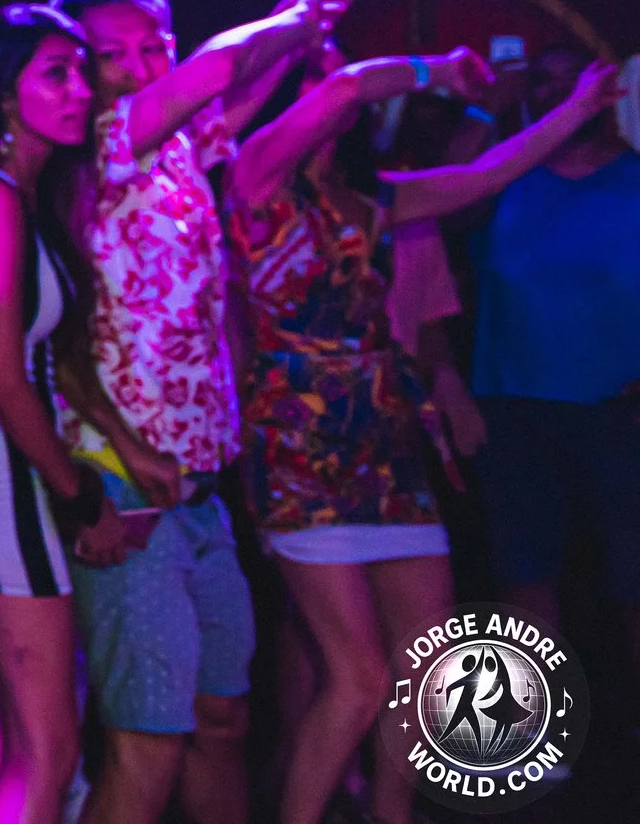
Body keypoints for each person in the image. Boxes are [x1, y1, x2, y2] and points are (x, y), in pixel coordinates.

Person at [45, 0, 447, 824]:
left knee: (222, 720)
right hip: (125, 484)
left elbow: (286, 33)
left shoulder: (189, 149)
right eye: (114, 54)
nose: (141, 67)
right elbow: (236, 58)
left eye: (155, 47)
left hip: (202, 484)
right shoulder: (108, 145)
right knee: (144, 742)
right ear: (82, 70)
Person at [224, 41, 619, 824]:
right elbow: (340, 87)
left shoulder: (373, 202)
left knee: (422, 664)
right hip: (303, 452)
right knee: (357, 673)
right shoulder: (253, 180)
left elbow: (480, 176)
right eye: (314, 77)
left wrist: (576, 108)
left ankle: (392, 814)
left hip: (385, 446)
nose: (336, 92)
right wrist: (437, 70)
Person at [0, 4, 135, 824]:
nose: (81, 90)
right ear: (3, 94)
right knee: (50, 744)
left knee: (16, 727)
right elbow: (6, 380)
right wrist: (79, 494)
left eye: (81, 72)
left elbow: (41, 366)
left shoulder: (17, 196)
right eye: (56, 73)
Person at [467, 45, 640, 734]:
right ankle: (530, 733)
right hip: (515, 408)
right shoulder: (506, 178)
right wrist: (492, 105)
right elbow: (434, 203)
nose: (561, 93)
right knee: (525, 572)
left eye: (575, 81)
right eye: (544, 81)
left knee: (633, 575)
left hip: (618, 410)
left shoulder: (633, 177)